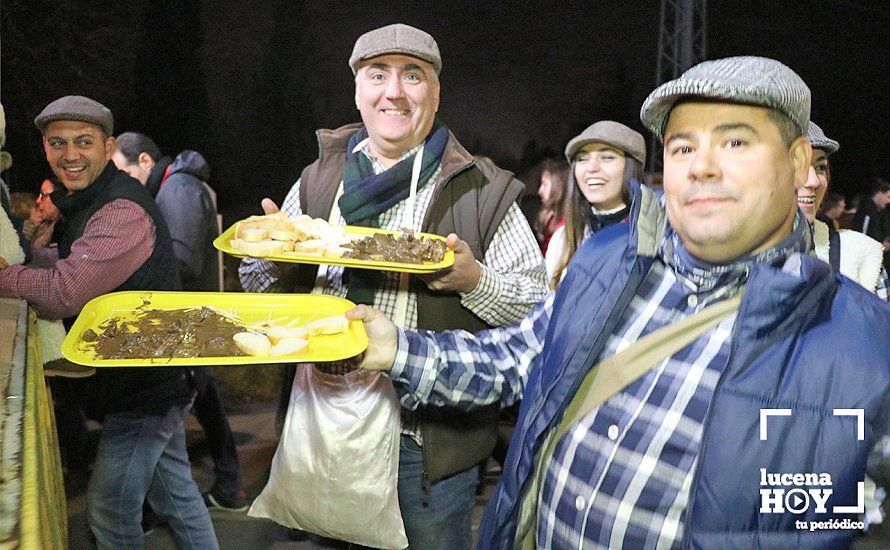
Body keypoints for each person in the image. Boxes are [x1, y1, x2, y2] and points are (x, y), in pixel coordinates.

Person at [347, 56, 890, 548]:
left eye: (735, 142)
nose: (701, 167)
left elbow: (839, 518)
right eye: (682, 147)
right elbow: (517, 358)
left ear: (798, 164)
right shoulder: (607, 259)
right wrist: (394, 348)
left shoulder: (861, 349)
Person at [239, 23, 548, 549]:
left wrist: (474, 280)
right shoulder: (319, 178)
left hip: (423, 442)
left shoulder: (482, 188)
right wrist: (273, 257)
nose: (394, 92)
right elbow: (260, 291)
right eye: (378, 75)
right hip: (325, 426)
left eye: (413, 76)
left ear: (435, 92)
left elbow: (538, 309)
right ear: (359, 91)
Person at [0, 96, 218, 549]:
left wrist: (4, 276)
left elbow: (66, 291)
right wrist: (38, 251)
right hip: (147, 373)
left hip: (146, 382)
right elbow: (84, 267)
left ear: (108, 145)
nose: (70, 155)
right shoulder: (87, 201)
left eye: (84, 142)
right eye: (58, 143)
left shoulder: (121, 211)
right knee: (177, 496)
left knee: (110, 510)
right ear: (44, 147)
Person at [112, 131, 248, 511]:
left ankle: (208, 490)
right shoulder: (171, 187)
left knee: (175, 407)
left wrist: (134, 269)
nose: (121, 182)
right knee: (201, 399)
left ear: (145, 162)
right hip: (188, 316)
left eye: (122, 170)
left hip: (189, 316)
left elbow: (184, 261)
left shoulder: (178, 188)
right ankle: (228, 485)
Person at [544, 121, 645, 288]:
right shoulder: (564, 239)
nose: (591, 167)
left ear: (631, 167)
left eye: (607, 157)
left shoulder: (654, 235)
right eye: (582, 159)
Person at [799, 121, 888, 298]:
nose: (814, 181)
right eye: (798, 165)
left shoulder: (864, 258)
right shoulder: (731, 259)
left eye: (820, 167)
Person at [533, 158, 569, 255]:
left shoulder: (565, 225)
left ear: (558, 187)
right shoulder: (549, 216)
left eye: (545, 184)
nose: (540, 191)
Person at [852, 179, 890, 269]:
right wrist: (881, 247)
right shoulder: (867, 212)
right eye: (888, 197)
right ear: (879, 193)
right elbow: (862, 236)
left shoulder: (877, 213)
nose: (889, 201)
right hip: (865, 263)